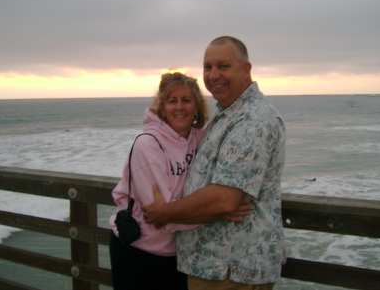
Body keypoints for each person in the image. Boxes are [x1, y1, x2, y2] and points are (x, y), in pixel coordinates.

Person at [142, 36, 286, 290]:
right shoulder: (228, 113)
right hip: (214, 267)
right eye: (208, 67)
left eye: (223, 66)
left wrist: (164, 213)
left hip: (233, 269)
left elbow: (224, 200)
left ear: (246, 70)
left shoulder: (253, 120)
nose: (213, 75)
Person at [108, 72, 209, 290]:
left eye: (186, 100)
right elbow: (164, 217)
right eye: (172, 101)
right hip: (138, 252)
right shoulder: (148, 145)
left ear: (197, 106)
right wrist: (219, 211)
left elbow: (172, 212)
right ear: (162, 107)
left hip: (177, 254)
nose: (179, 107)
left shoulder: (199, 137)